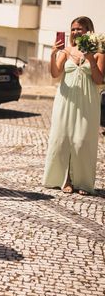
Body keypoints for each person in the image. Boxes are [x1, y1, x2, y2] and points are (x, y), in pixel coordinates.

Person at [43, 16, 104, 195]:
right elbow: (55, 74)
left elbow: (99, 80)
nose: (76, 32)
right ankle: (65, 180)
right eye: (73, 29)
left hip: (88, 101)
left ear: (88, 31)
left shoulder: (100, 52)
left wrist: (91, 59)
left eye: (80, 29)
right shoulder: (67, 50)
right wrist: (53, 53)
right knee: (62, 140)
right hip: (65, 99)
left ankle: (83, 182)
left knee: (82, 141)